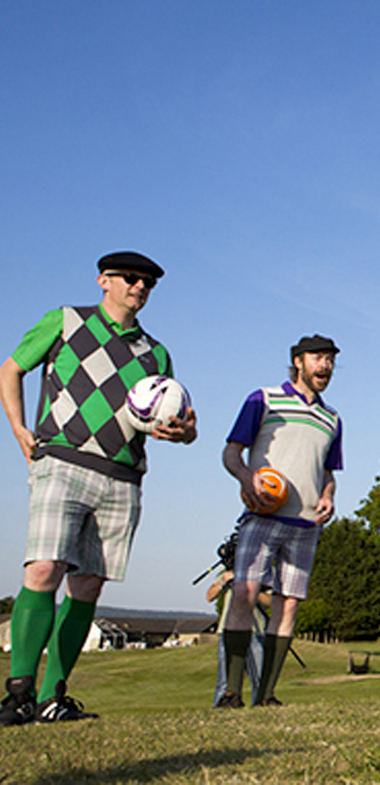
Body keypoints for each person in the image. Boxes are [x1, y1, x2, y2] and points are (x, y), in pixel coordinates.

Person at [0, 252, 197, 727]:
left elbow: (174, 421)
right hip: (62, 462)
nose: (140, 286)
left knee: (87, 585)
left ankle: (52, 698)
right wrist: (19, 428)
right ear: (103, 280)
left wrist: (184, 433)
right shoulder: (65, 321)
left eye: (148, 282)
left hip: (122, 477)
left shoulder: (156, 354)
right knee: (44, 569)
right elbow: (10, 370)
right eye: (130, 278)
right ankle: (19, 694)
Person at [217, 334, 342, 708]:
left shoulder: (332, 419)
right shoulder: (264, 399)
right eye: (318, 358)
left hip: (306, 525)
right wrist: (246, 478)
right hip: (262, 514)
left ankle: (266, 695)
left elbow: (328, 473)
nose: (325, 365)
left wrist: (328, 496)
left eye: (330, 360)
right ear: (298, 361)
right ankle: (231, 693)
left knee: (288, 606)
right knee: (244, 594)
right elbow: (231, 453)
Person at [205, 558, 271, 707]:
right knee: (224, 678)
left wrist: (250, 588)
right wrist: (223, 582)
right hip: (228, 628)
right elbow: (210, 596)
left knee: (259, 676)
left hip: (255, 629)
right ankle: (223, 706)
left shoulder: (263, 569)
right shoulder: (227, 570)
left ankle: (261, 705)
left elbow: (270, 601)